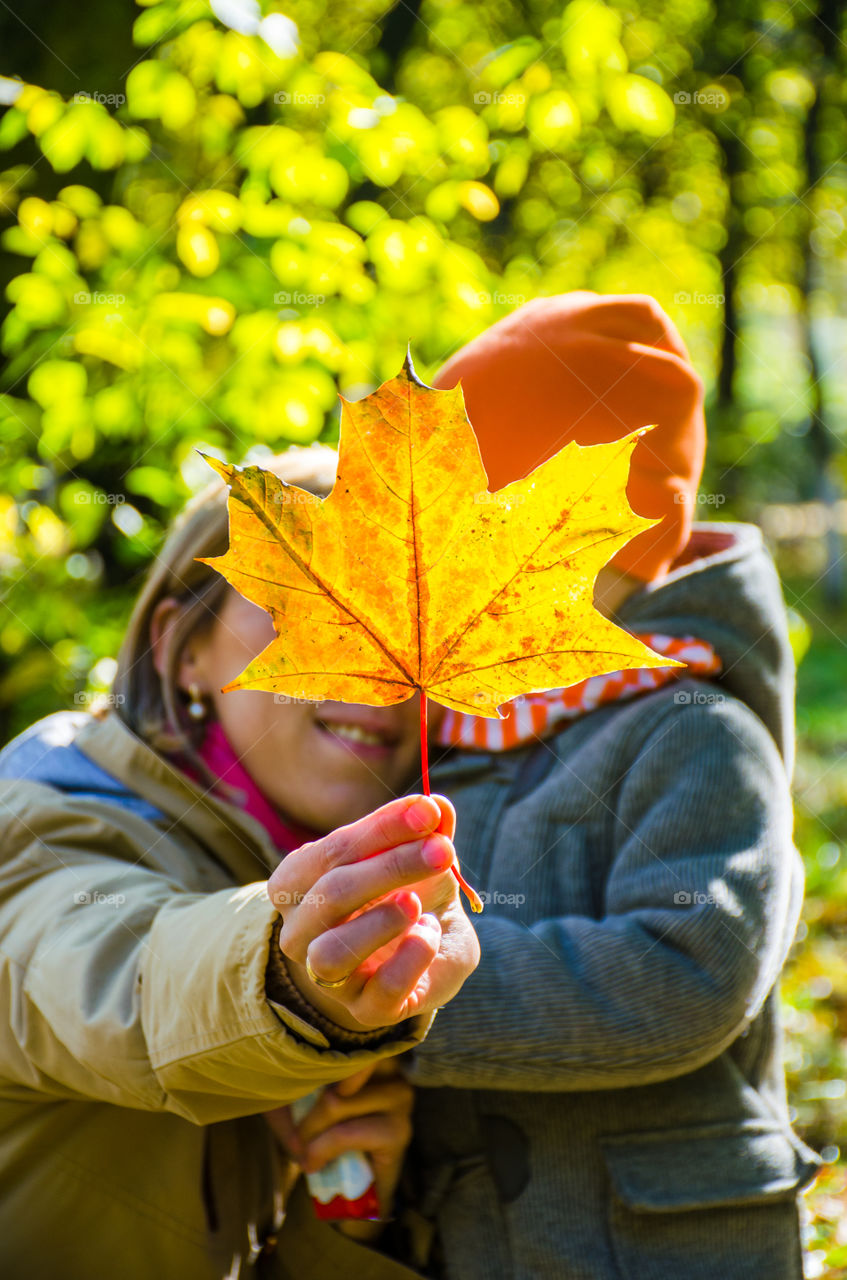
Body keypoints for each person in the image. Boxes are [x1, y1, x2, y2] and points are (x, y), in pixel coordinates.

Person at [385, 291, 821, 1280]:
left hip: (660, 1245)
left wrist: (412, 994)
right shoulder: (462, 733)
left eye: (491, 531)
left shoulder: (692, 729)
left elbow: (686, 968)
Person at [0, 442, 480, 1280]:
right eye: (304, 606)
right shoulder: (39, 822)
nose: (367, 661)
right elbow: (117, 975)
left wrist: (352, 1223)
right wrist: (289, 978)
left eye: (399, 623)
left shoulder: (380, 880)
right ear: (182, 649)